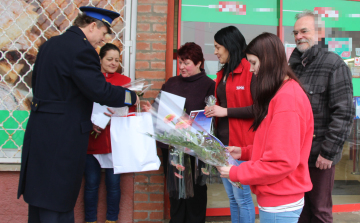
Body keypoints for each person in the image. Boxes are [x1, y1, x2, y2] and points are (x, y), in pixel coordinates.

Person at [17, 7, 139, 223]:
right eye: (103, 33)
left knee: (39, 198)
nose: (103, 39)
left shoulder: (49, 45)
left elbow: (37, 85)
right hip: (62, 138)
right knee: (58, 199)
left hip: (40, 131)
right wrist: (130, 97)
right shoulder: (81, 51)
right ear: (93, 26)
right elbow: (99, 90)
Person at [217, 32, 314, 223]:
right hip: (278, 197)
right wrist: (244, 152)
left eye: (253, 63)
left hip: (280, 199)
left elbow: (281, 162)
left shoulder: (287, 99)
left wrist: (237, 173)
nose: (251, 70)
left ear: (268, 61)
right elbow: (277, 147)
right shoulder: (283, 93)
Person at [289, 10, 354, 223]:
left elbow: (344, 113)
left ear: (320, 32)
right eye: (296, 32)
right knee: (300, 211)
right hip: (296, 157)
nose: (299, 36)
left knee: (319, 212)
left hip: (319, 158)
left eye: (304, 31)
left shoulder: (334, 64)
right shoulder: (293, 67)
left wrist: (328, 153)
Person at [143, 42, 215, 223]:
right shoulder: (172, 82)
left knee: (196, 192)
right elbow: (159, 108)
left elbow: (209, 117)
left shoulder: (209, 85)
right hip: (170, 145)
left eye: (187, 63)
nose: (182, 67)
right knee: (175, 191)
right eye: (180, 62)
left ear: (199, 63)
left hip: (194, 148)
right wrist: (150, 111)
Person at [203, 26, 255, 223]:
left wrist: (225, 111)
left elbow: (259, 109)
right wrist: (213, 109)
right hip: (222, 144)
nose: (215, 52)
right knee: (233, 199)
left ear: (229, 45)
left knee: (243, 199)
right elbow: (224, 104)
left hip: (240, 145)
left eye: (218, 47)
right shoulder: (223, 73)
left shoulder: (250, 69)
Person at [84, 43, 133, 223]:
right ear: (100, 59)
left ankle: (111, 220)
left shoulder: (125, 81)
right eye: (109, 59)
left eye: (117, 60)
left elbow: (132, 107)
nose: (113, 63)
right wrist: (90, 123)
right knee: (91, 185)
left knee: (113, 186)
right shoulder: (90, 79)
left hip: (115, 142)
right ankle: (90, 220)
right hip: (92, 140)